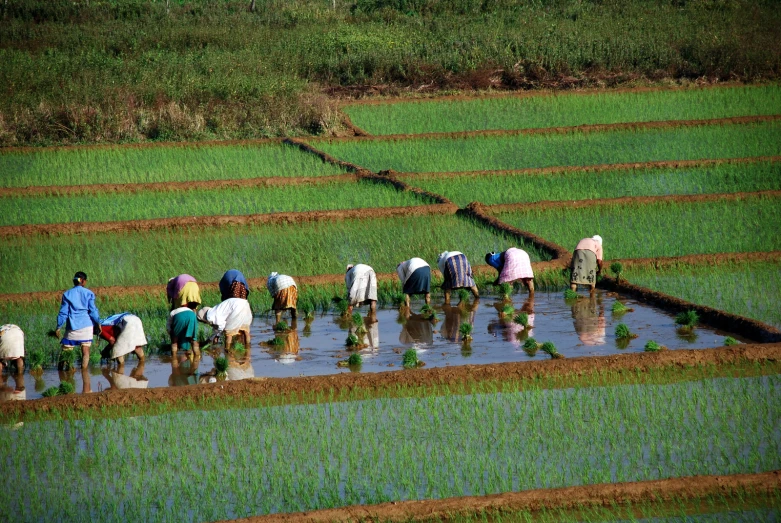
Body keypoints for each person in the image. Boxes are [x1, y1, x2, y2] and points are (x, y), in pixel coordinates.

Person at [55, 271, 100, 368]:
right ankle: (84, 373)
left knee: (66, 351)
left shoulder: (67, 294)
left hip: (72, 327)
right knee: (85, 351)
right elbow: (93, 311)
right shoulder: (89, 293)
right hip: (87, 326)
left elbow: (63, 313)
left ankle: (61, 373)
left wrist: (58, 327)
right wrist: (98, 322)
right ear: (83, 281)